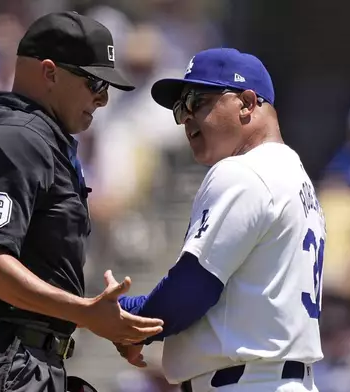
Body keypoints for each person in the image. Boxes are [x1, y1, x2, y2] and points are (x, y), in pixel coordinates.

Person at [0, 11, 164, 392]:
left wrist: (102, 320)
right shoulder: (15, 140)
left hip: (17, 362)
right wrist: (85, 314)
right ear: (49, 73)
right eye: (94, 82)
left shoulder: (42, 140)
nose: (102, 98)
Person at [114, 48, 325, 392]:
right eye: (180, 109)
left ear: (246, 102)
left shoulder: (244, 171)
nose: (185, 119)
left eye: (197, 101)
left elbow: (190, 289)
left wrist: (120, 313)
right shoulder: (297, 179)